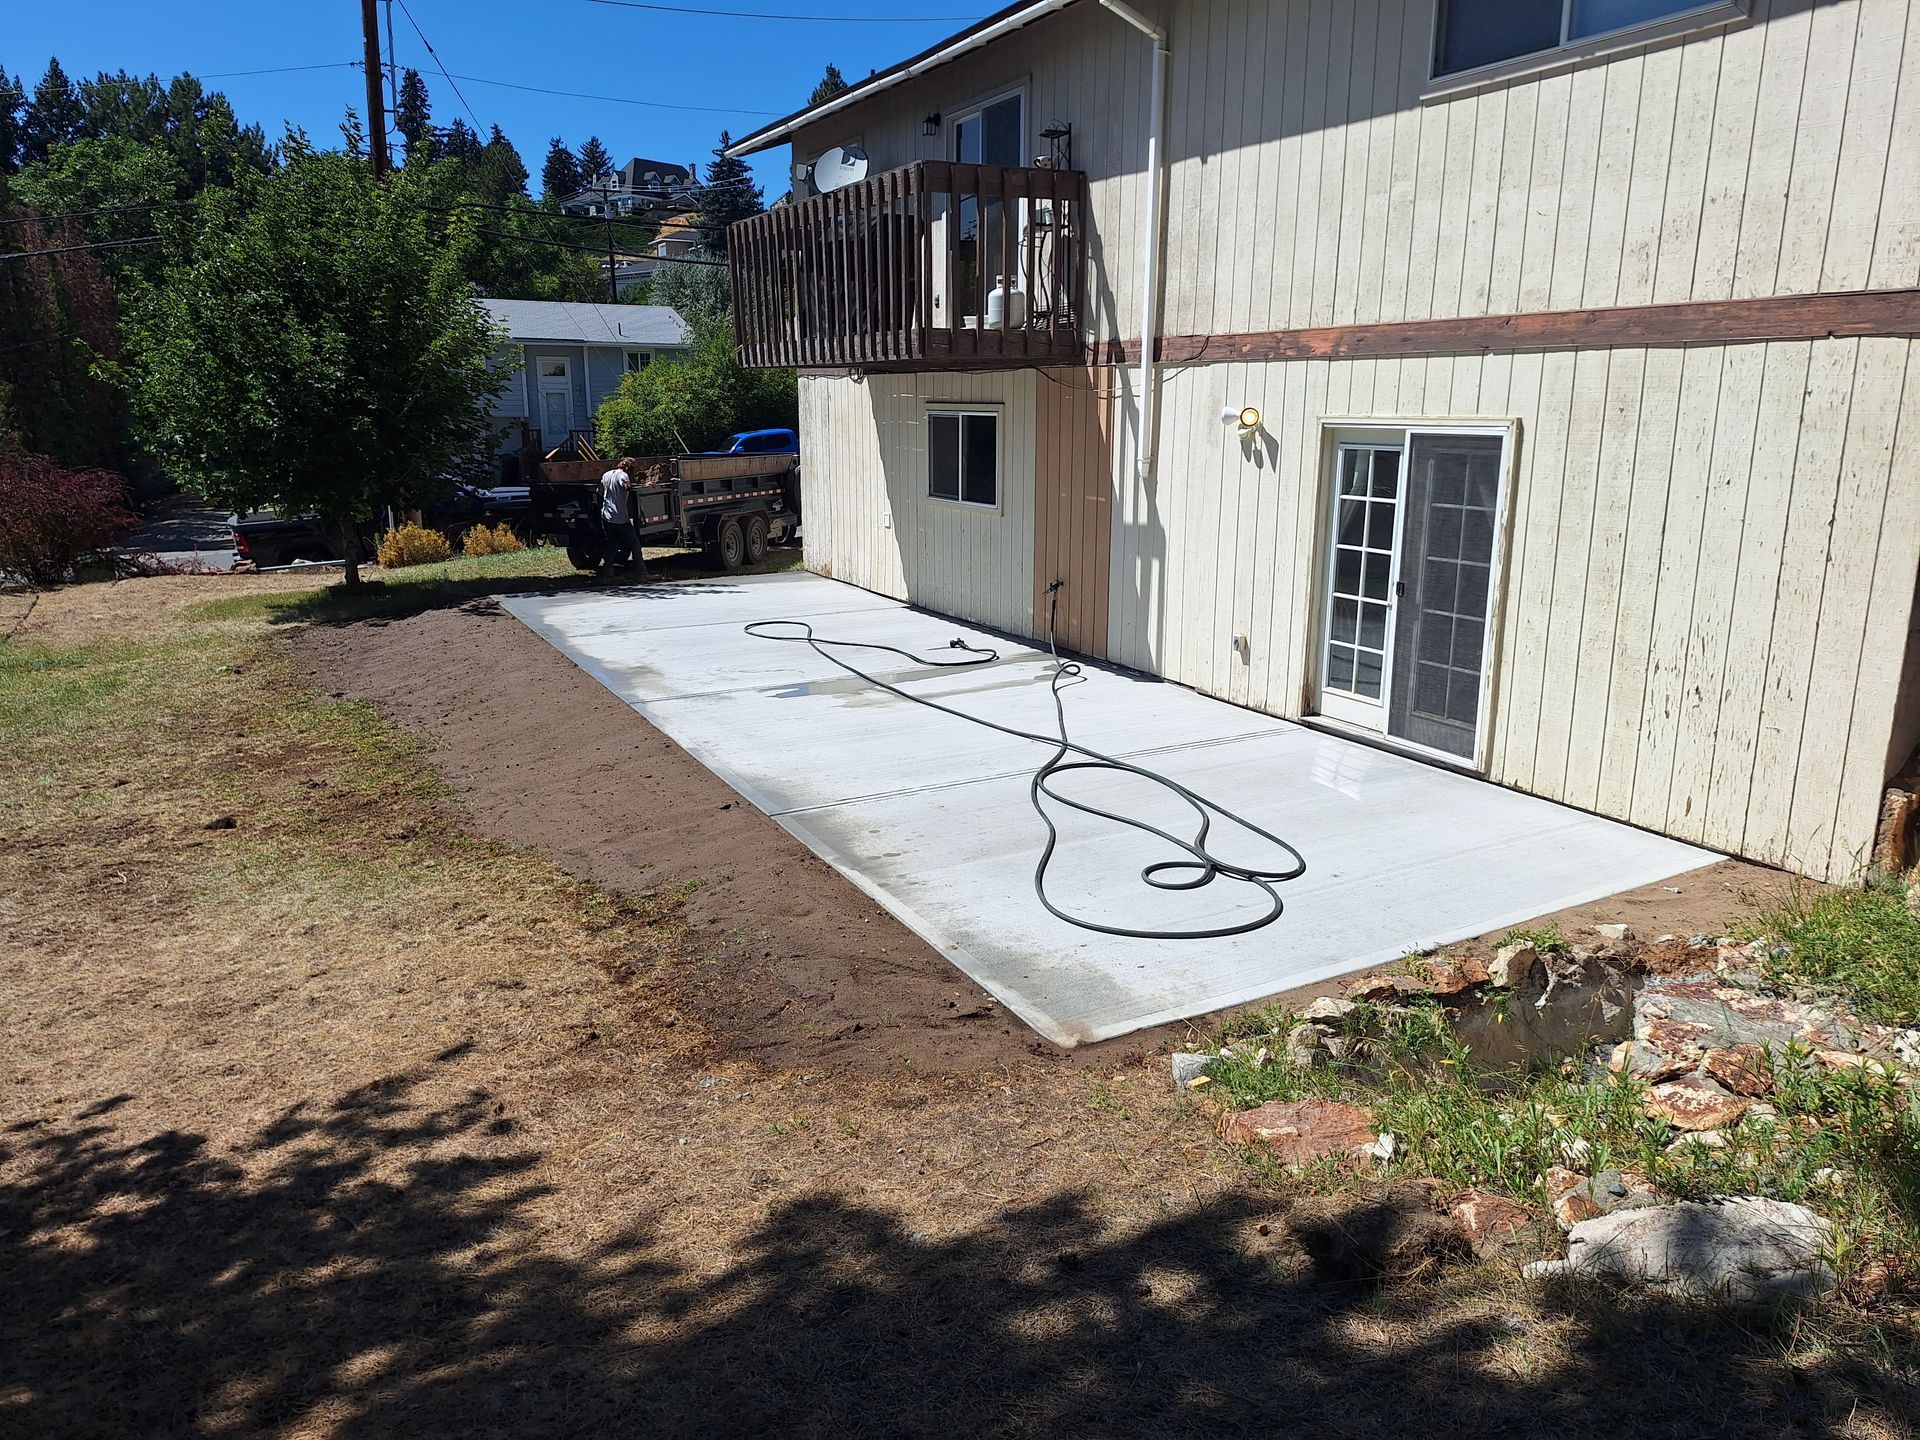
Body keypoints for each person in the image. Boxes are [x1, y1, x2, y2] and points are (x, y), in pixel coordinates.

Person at [599, 456, 645, 575]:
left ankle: (607, 572)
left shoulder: (607, 474)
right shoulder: (623, 476)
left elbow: (599, 491)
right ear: (629, 468)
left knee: (612, 543)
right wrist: (642, 485)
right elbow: (626, 487)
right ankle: (641, 572)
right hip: (619, 517)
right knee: (635, 543)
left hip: (606, 515)